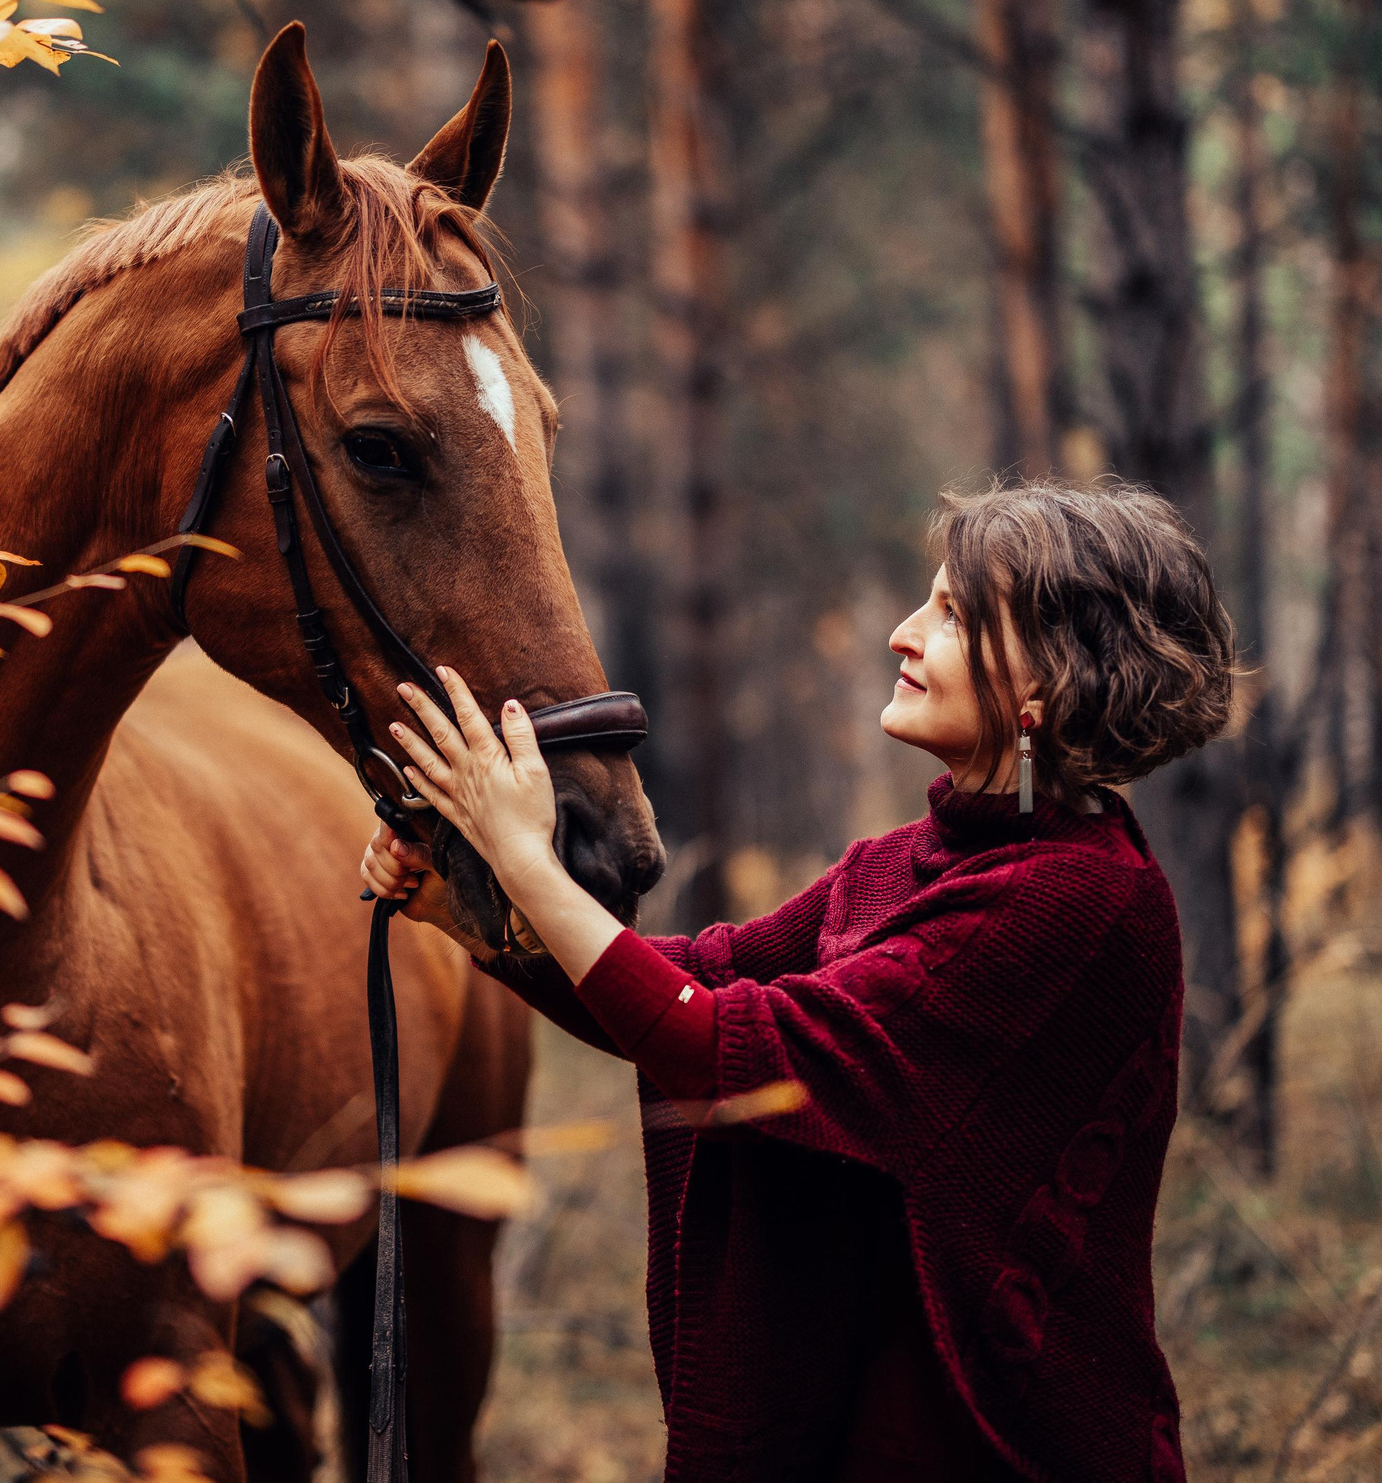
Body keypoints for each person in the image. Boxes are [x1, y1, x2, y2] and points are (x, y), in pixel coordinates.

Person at [360, 480, 1233, 1483]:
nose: (904, 634)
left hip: (1002, 1442)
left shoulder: (1075, 903)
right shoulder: (904, 862)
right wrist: (469, 912)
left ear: (1048, 684)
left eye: (951, 616)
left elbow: (711, 1043)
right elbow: (686, 986)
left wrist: (525, 864)